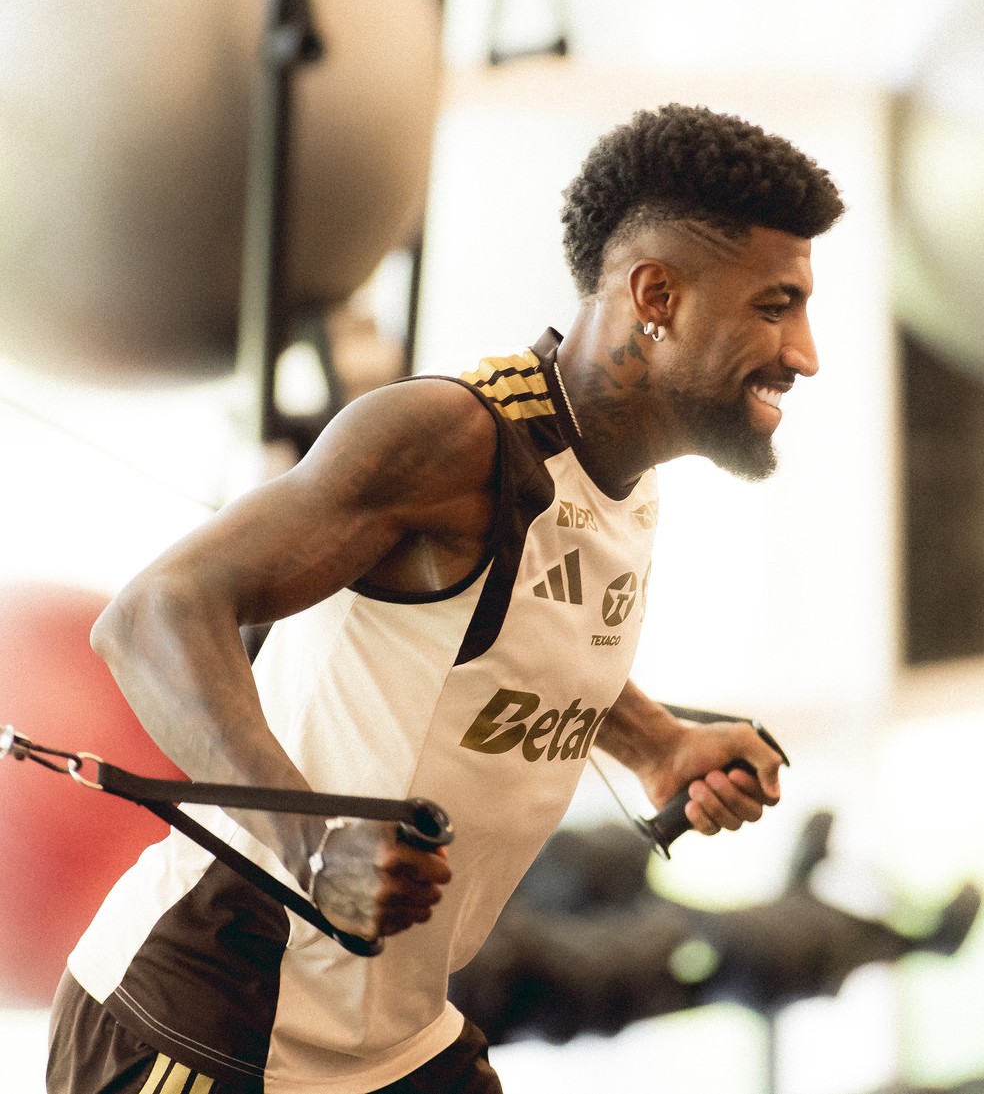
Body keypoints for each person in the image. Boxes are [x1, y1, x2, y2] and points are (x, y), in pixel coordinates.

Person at [47, 103, 845, 1094]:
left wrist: (657, 744)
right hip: (207, 1020)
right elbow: (150, 612)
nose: (804, 352)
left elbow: (513, 642)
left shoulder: (620, 475)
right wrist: (316, 842)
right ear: (657, 293)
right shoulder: (453, 440)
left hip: (394, 1036)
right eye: (775, 306)